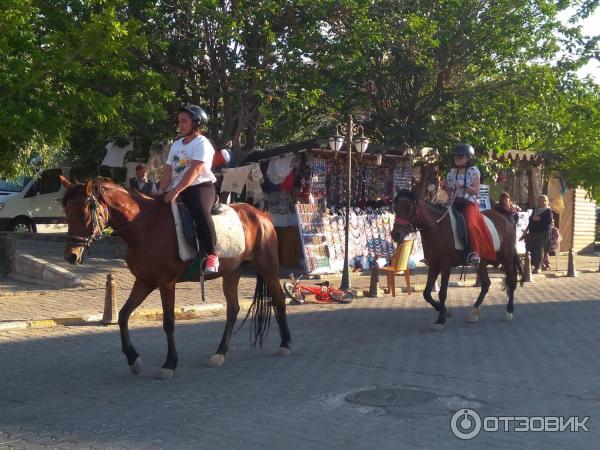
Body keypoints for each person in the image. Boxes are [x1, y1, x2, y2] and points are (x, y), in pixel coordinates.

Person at [157, 105, 219, 273]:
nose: (180, 125)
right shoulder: (176, 144)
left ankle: (212, 255)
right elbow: (168, 170)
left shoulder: (202, 143)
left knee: (200, 211)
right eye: (179, 122)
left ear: (196, 123)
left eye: (184, 121)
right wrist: (160, 190)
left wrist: (175, 191)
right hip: (177, 188)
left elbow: (196, 169)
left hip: (200, 187)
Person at [444, 143, 496, 265]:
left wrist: (464, 186)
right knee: (439, 219)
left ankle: (475, 252)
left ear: (468, 158)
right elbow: (448, 190)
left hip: (469, 203)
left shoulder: (474, 171)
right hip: (453, 202)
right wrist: (446, 188)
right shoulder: (451, 172)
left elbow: (476, 191)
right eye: (455, 157)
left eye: (460, 157)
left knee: (470, 224)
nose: (457, 159)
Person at [524, 195, 553, 274]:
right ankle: (529, 265)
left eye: (544, 201)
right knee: (530, 248)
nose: (543, 202)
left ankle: (538, 267)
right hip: (533, 232)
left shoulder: (548, 210)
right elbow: (531, 219)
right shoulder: (536, 209)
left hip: (543, 233)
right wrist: (531, 220)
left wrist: (540, 219)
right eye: (541, 200)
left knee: (539, 250)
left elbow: (549, 221)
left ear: (547, 202)